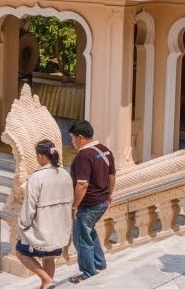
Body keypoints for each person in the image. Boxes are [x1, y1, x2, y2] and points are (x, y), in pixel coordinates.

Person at [16, 139, 73, 289]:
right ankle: (46, 284)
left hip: (42, 228)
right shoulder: (65, 174)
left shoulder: (37, 177)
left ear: (41, 156)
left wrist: (23, 224)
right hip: (60, 227)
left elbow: (30, 206)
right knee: (49, 258)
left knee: (20, 252)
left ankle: (46, 279)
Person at [67, 120, 116, 284]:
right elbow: (112, 176)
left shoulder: (84, 155)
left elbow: (82, 184)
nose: (72, 142)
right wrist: (109, 194)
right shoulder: (105, 150)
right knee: (89, 231)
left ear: (80, 137)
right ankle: (99, 263)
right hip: (102, 201)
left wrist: (74, 206)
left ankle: (88, 273)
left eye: (72, 138)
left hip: (88, 204)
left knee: (81, 239)